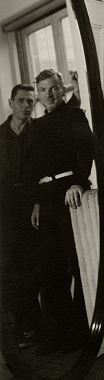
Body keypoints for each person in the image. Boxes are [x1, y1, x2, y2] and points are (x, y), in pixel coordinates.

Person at [27, 69, 94, 354]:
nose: (49, 95)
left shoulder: (75, 116)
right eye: (43, 90)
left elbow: (86, 150)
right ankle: (59, 335)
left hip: (70, 196)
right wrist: (37, 202)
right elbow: (35, 168)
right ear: (38, 94)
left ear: (62, 90)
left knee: (75, 267)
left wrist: (78, 182)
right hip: (47, 201)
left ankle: (80, 335)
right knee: (50, 271)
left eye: (53, 88)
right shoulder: (37, 126)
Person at [0, 84, 41, 348]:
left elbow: (43, 169)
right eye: (22, 101)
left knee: (31, 267)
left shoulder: (39, 132)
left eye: (31, 101)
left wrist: (38, 203)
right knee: (8, 265)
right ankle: (16, 323)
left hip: (30, 206)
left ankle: (33, 325)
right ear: (11, 102)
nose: (27, 106)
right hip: (4, 207)